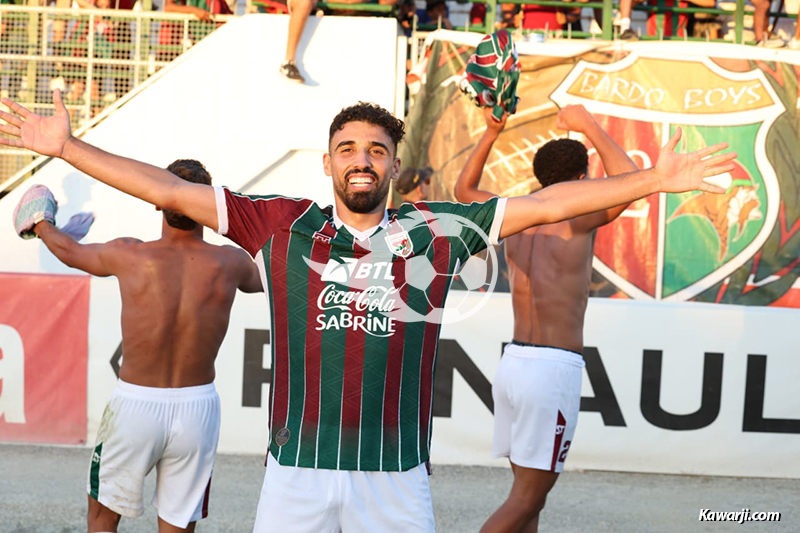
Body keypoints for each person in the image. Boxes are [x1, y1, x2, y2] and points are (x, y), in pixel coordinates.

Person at [0, 90, 735, 532]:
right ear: (328, 163)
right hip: (296, 471)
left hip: (395, 474)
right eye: (347, 147)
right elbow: (169, 188)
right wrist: (69, 147)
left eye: (377, 149)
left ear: (391, 163)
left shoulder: (434, 229)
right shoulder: (280, 224)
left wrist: (652, 180)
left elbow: (550, 202)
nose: (362, 158)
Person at [12, 159, 262, 533]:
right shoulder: (232, 262)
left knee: (101, 517)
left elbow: (65, 250)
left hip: (136, 407)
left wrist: (42, 224)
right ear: (205, 203)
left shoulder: (131, 255)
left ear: (156, 200)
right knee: (178, 524)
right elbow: (285, 274)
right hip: (198, 409)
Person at [454, 104, 641, 532]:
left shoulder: (516, 216)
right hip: (552, 369)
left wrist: (491, 132)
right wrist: (589, 125)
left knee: (528, 501)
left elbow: (464, 188)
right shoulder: (575, 217)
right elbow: (629, 184)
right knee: (526, 500)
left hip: (514, 364)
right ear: (582, 178)